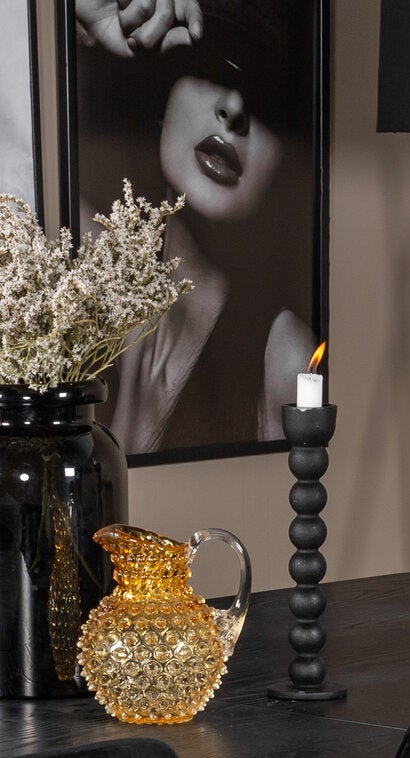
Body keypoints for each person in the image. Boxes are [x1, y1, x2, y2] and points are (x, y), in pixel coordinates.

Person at [71, 0, 317, 457]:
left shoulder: (287, 358)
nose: (235, 107)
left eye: (268, 100)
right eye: (214, 66)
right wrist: (82, 28)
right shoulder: (83, 261)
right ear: (163, 99)